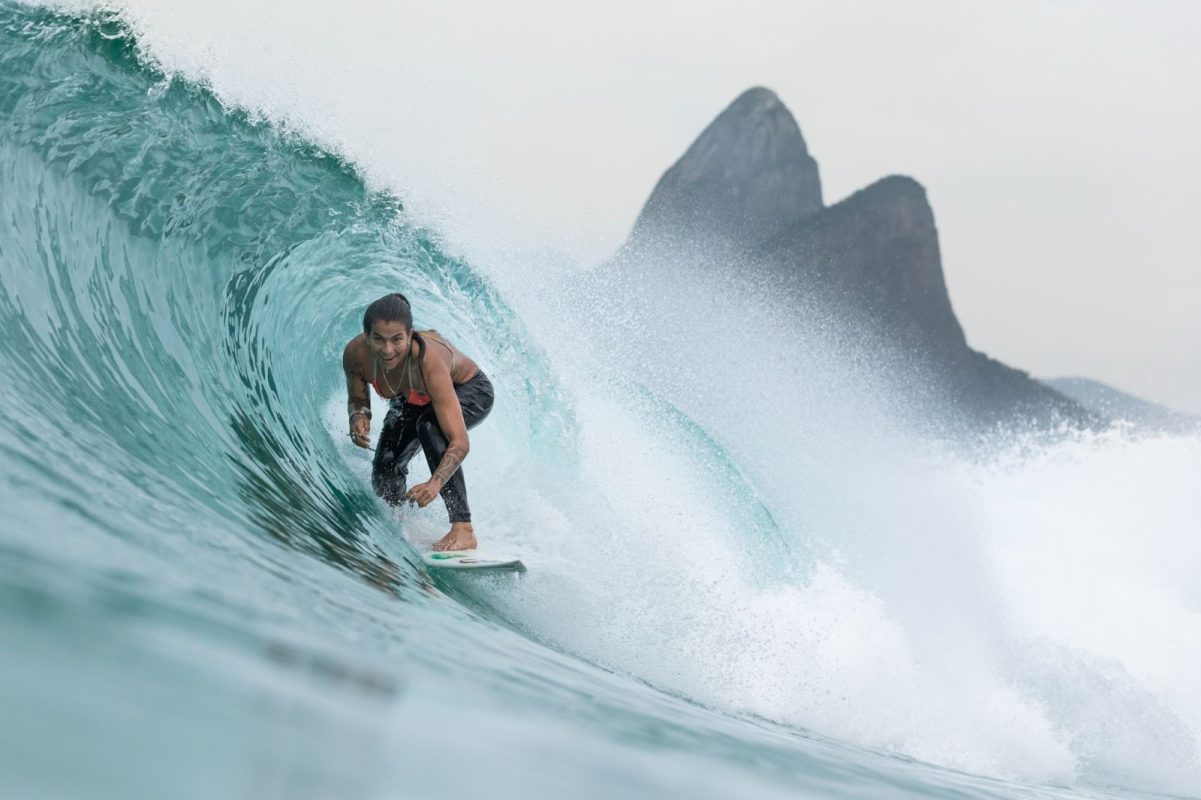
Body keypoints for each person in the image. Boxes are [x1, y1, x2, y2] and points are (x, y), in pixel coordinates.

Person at [343, 293, 494, 551]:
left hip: (469, 390)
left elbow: (459, 442)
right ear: (367, 336)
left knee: (429, 426)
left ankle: (463, 528)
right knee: (385, 468)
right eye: (378, 339)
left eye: (396, 339)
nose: (387, 350)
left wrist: (435, 484)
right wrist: (358, 417)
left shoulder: (427, 362)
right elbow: (358, 400)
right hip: (412, 397)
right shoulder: (356, 355)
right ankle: (399, 519)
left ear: (409, 335)